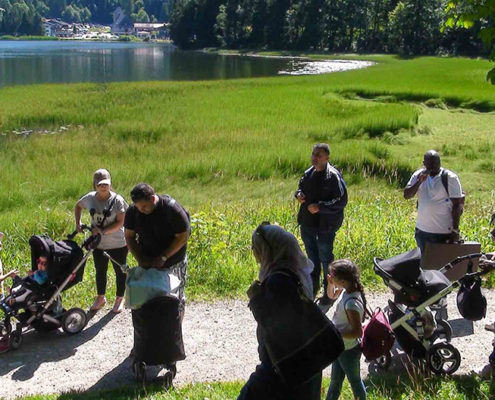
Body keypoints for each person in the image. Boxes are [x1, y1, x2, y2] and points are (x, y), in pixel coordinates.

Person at [238, 222, 321, 400]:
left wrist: (256, 299)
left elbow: (276, 327)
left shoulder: (278, 281)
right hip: (305, 366)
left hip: (282, 368)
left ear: (270, 249)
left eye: (256, 247)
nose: (253, 252)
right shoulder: (297, 272)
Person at [124, 183, 190, 315]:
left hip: (174, 261)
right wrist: (140, 259)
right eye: (137, 207)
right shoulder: (133, 211)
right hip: (148, 262)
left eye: (144, 206)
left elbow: (183, 237)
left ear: (153, 198)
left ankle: (176, 330)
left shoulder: (171, 209)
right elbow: (129, 236)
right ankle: (154, 330)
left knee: (175, 299)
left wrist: (163, 257)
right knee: (149, 298)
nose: (141, 210)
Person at [295, 143, 348, 305]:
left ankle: (328, 293)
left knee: (326, 259)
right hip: (308, 224)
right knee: (312, 260)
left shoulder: (333, 176)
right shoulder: (308, 173)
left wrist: (320, 207)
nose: (315, 157)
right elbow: (299, 188)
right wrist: (298, 195)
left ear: (327, 158)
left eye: (319, 155)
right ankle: (312, 289)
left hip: (326, 226)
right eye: (313, 154)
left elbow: (341, 201)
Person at [74, 168, 128, 313]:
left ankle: (119, 298)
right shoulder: (90, 198)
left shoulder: (117, 200)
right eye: (100, 184)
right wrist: (78, 223)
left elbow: (120, 222)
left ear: (110, 184)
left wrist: (103, 231)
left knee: (120, 271)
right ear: (95, 185)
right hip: (98, 243)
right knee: (100, 270)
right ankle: (101, 297)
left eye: (106, 184)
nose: (103, 187)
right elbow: (78, 206)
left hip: (118, 243)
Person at [404, 150, 463, 254]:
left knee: (441, 267)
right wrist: (419, 182)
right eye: (429, 163)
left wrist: (455, 230)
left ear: (439, 162)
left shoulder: (449, 178)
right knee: (424, 266)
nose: (432, 166)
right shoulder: (418, 175)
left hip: (443, 232)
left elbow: (457, 205)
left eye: (435, 163)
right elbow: (407, 195)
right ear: (424, 163)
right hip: (422, 231)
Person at [325, 259, 367, 400]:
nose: (329, 276)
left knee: (355, 381)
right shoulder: (347, 289)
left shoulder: (352, 303)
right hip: (340, 346)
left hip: (348, 349)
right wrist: (331, 284)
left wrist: (334, 333)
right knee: (335, 381)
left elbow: (357, 332)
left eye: (332, 275)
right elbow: (331, 295)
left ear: (342, 280)